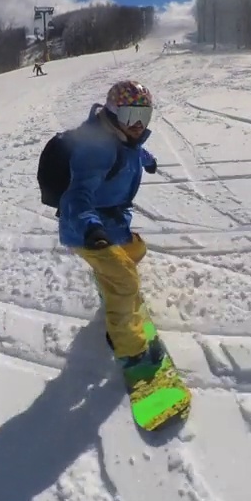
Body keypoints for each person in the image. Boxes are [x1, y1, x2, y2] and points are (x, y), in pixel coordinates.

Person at [58, 80, 161, 368]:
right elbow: (76, 197)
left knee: (136, 250)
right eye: (131, 116)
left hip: (112, 221)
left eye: (144, 117)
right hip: (87, 229)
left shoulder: (123, 136)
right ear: (114, 114)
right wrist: (91, 228)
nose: (138, 125)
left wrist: (149, 160)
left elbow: (135, 149)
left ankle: (109, 278)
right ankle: (128, 349)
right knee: (126, 280)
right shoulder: (96, 150)